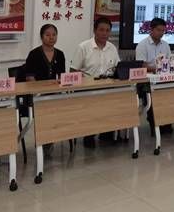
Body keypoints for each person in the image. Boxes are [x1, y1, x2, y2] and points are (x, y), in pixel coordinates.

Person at [71, 17, 120, 148]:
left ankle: (107, 132)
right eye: (101, 30)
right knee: (93, 103)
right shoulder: (83, 47)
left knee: (118, 100)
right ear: (95, 31)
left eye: (107, 30)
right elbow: (73, 71)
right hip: (87, 90)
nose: (104, 33)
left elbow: (118, 68)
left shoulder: (112, 48)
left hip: (108, 88)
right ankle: (89, 134)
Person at [24, 24, 66, 156]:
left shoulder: (60, 54)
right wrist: (40, 92)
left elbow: (62, 78)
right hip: (37, 96)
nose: (51, 37)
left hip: (55, 95)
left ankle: (48, 141)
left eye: (54, 34)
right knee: (46, 109)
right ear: (42, 37)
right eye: (48, 35)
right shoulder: (34, 54)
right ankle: (44, 142)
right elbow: (30, 78)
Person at [135, 17, 173, 135]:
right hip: (146, 82)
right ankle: (154, 122)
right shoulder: (142, 45)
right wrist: (157, 68)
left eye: (163, 31)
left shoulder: (165, 45)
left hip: (163, 79)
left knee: (172, 93)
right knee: (153, 96)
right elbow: (142, 65)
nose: (161, 33)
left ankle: (167, 121)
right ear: (151, 30)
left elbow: (169, 61)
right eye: (158, 30)